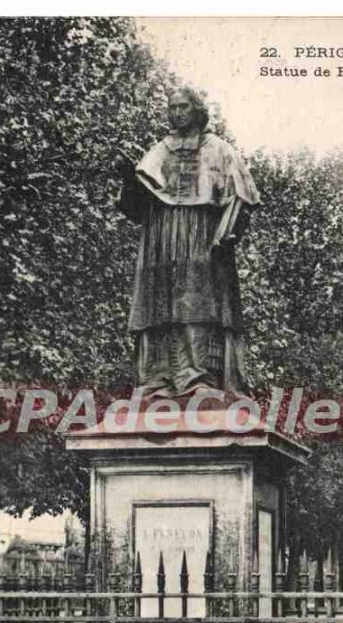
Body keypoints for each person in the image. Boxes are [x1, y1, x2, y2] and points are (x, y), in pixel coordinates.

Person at [118, 87, 260, 398]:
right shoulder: (160, 150)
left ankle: (199, 377)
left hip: (201, 236)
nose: (177, 113)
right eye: (172, 107)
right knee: (160, 303)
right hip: (162, 236)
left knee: (197, 302)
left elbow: (242, 196)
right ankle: (159, 379)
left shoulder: (220, 150)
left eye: (183, 106)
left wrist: (228, 230)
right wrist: (129, 180)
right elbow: (136, 205)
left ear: (196, 110)